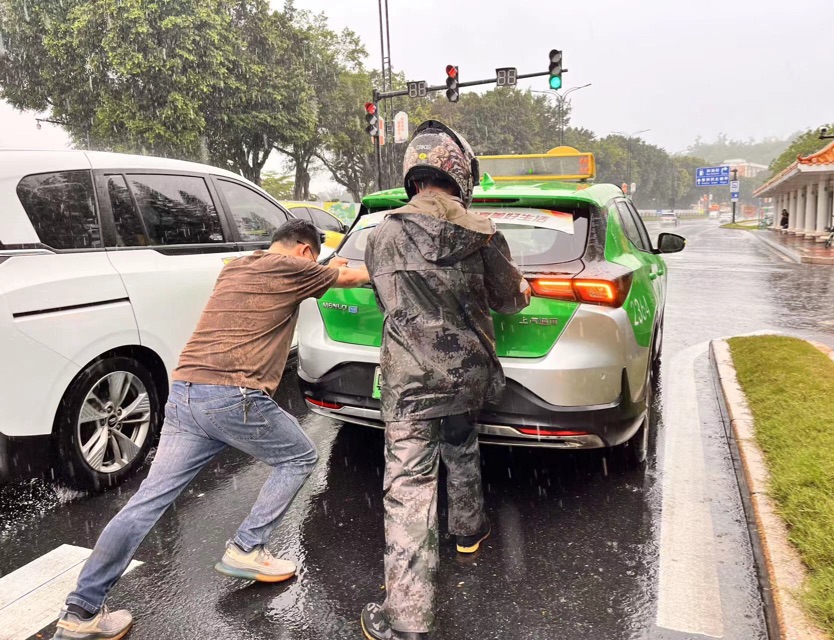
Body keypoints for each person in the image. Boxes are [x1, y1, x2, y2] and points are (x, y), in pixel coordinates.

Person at [54, 220, 371, 640]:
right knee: (299, 456)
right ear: (305, 252)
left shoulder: (238, 266)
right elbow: (354, 275)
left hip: (185, 392)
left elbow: (320, 275)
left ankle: (80, 612)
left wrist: (328, 267)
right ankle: (247, 547)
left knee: (147, 501)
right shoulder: (294, 268)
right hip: (233, 393)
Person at [360, 120, 531, 640]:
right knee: (461, 447)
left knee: (408, 487)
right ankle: (468, 531)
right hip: (468, 375)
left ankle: (407, 619)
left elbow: (384, 298)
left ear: (414, 173)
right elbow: (510, 298)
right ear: (460, 174)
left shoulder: (382, 234)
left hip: (410, 383)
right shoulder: (484, 233)